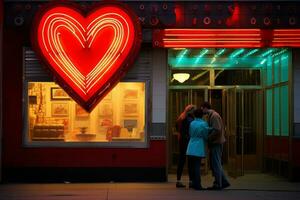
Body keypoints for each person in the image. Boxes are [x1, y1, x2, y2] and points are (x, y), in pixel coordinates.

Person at [201, 102, 230, 190]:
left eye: (202, 108)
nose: (202, 110)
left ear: (205, 108)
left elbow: (217, 130)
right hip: (216, 142)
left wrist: (208, 138)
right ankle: (223, 182)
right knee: (216, 163)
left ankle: (218, 183)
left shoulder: (214, 116)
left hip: (216, 143)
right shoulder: (212, 115)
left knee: (216, 163)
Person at [186, 108, 209, 190]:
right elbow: (206, 135)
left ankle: (191, 183)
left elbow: (189, 133)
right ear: (202, 115)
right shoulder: (204, 124)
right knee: (197, 166)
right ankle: (198, 184)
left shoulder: (192, 123)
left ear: (194, 115)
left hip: (190, 145)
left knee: (191, 166)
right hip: (199, 146)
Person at [175, 104, 196, 188]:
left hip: (181, 141)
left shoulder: (181, 117)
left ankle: (178, 180)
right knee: (190, 161)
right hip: (188, 141)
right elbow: (192, 130)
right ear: (191, 111)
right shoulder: (190, 119)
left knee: (181, 161)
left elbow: (177, 127)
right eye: (194, 110)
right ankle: (191, 181)